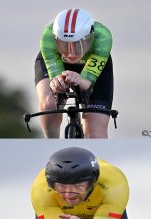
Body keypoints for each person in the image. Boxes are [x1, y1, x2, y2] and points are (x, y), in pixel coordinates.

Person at [31, 147, 131, 219]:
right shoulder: (41, 189)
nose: (69, 194)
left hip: (100, 216)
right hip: (62, 215)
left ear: (92, 182)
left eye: (78, 186)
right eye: (61, 186)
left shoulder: (115, 185)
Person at [35, 8, 114, 138]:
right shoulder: (48, 36)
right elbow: (55, 81)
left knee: (95, 134)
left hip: (90, 65)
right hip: (57, 60)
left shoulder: (103, 37)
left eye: (78, 45)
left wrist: (80, 80)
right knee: (49, 104)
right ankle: (50, 142)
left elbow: (87, 83)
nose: (70, 53)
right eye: (63, 45)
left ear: (90, 38)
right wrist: (56, 84)